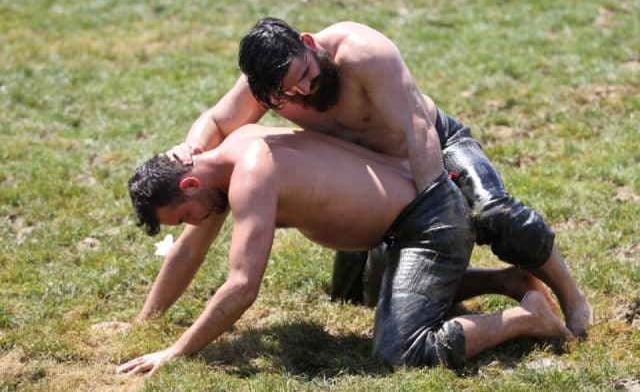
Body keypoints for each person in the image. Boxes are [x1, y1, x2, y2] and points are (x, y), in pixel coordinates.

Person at [166, 17, 591, 337]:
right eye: (287, 94)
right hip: (371, 173)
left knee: (496, 215)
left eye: (304, 78)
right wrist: (191, 150)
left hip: (434, 147)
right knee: (377, 290)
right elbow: (218, 121)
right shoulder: (272, 85)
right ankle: (506, 281)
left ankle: (572, 298)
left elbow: (418, 130)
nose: (303, 94)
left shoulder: (364, 52)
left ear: (309, 45)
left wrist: (434, 214)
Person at [118, 125, 570, 376]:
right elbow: (188, 251)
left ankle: (531, 317)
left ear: (189, 182)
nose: (194, 225)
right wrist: (146, 321)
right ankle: (506, 279)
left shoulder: (251, 172)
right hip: (394, 225)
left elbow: (242, 286)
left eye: (184, 216)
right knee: (365, 296)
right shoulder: (225, 158)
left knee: (401, 351)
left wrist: (176, 352)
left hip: (428, 221)